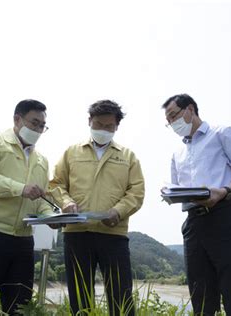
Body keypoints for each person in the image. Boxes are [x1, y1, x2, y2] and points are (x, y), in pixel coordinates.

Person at [162, 93, 231, 316]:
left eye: (174, 115)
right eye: (168, 121)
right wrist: (168, 193)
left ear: (190, 110)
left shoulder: (223, 133)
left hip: (225, 213)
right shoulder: (178, 153)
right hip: (194, 222)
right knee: (200, 293)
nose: (173, 123)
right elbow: (178, 189)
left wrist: (223, 191)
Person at [50, 100, 145, 316]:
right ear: (89, 122)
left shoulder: (128, 157)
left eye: (109, 126)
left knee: (121, 296)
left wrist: (118, 211)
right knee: (80, 298)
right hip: (76, 234)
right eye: (98, 124)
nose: (103, 130)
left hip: (114, 234)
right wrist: (65, 202)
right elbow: (55, 183)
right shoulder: (71, 153)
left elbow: (136, 192)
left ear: (116, 127)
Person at [0, 99, 56, 315]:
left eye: (42, 126)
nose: (38, 129)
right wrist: (20, 188)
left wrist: (51, 217)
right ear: (17, 119)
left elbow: (41, 198)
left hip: (23, 241)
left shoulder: (41, 160)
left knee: (20, 306)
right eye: (34, 123)